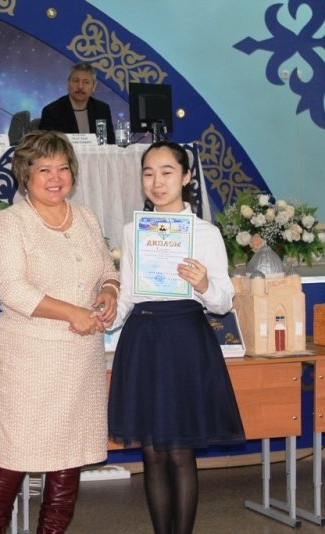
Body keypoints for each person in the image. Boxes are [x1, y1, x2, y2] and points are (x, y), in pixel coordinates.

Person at [0, 130, 120, 532]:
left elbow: (107, 270)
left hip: (80, 359)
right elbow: (12, 289)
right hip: (30, 360)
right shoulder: (11, 223)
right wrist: (71, 312)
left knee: (68, 457)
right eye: (44, 169)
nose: (55, 178)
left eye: (62, 168)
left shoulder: (86, 217)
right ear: (26, 174)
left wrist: (110, 291)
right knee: (15, 455)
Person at [108, 140, 245, 534]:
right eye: (149, 173)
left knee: (181, 453)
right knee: (152, 453)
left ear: (186, 177)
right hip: (143, 341)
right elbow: (129, 293)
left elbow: (223, 302)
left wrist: (203, 284)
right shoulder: (133, 231)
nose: (157, 182)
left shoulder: (205, 234)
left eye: (167, 172)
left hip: (184, 340)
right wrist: (106, 316)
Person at [38, 63, 115, 144]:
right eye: (76, 81)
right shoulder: (52, 111)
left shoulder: (102, 109)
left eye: (86, 82)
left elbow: (110, 143)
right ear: (68, 84)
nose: (80, 86)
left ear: (94, 86)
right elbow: (47, 146)